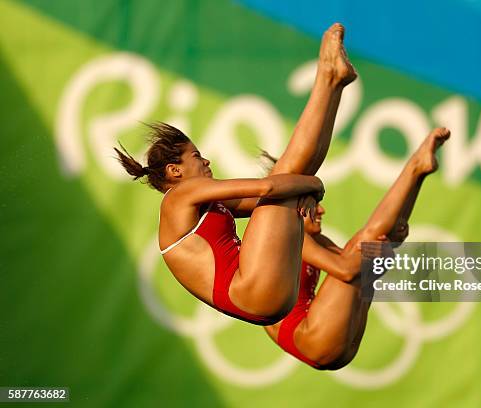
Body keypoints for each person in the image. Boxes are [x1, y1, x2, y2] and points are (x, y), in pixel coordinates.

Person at [114, 23, 356, 325]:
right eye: (197, 157)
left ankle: (334, 83)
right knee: (288, 179)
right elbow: (266, 189)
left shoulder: (199, 209)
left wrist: (302, 190)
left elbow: (272, 196)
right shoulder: (179, 196)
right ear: (175, 170)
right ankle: (329, 78)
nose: (207, 162)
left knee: (291, 181)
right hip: (256, 292)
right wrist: (314, 185)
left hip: (266, 299)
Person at [264, 128, 451, 369]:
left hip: (332, 344)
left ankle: (419, 173)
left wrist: (387, 248)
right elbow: (345, 270)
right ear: (294, 206)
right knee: (367, 245)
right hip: (313, 338)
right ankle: (415, 167)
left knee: (376, 244)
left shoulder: (308, 238)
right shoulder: (288, 237)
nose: (321, 210)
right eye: (313, 203)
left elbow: (363, 263)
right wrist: (380, 252)